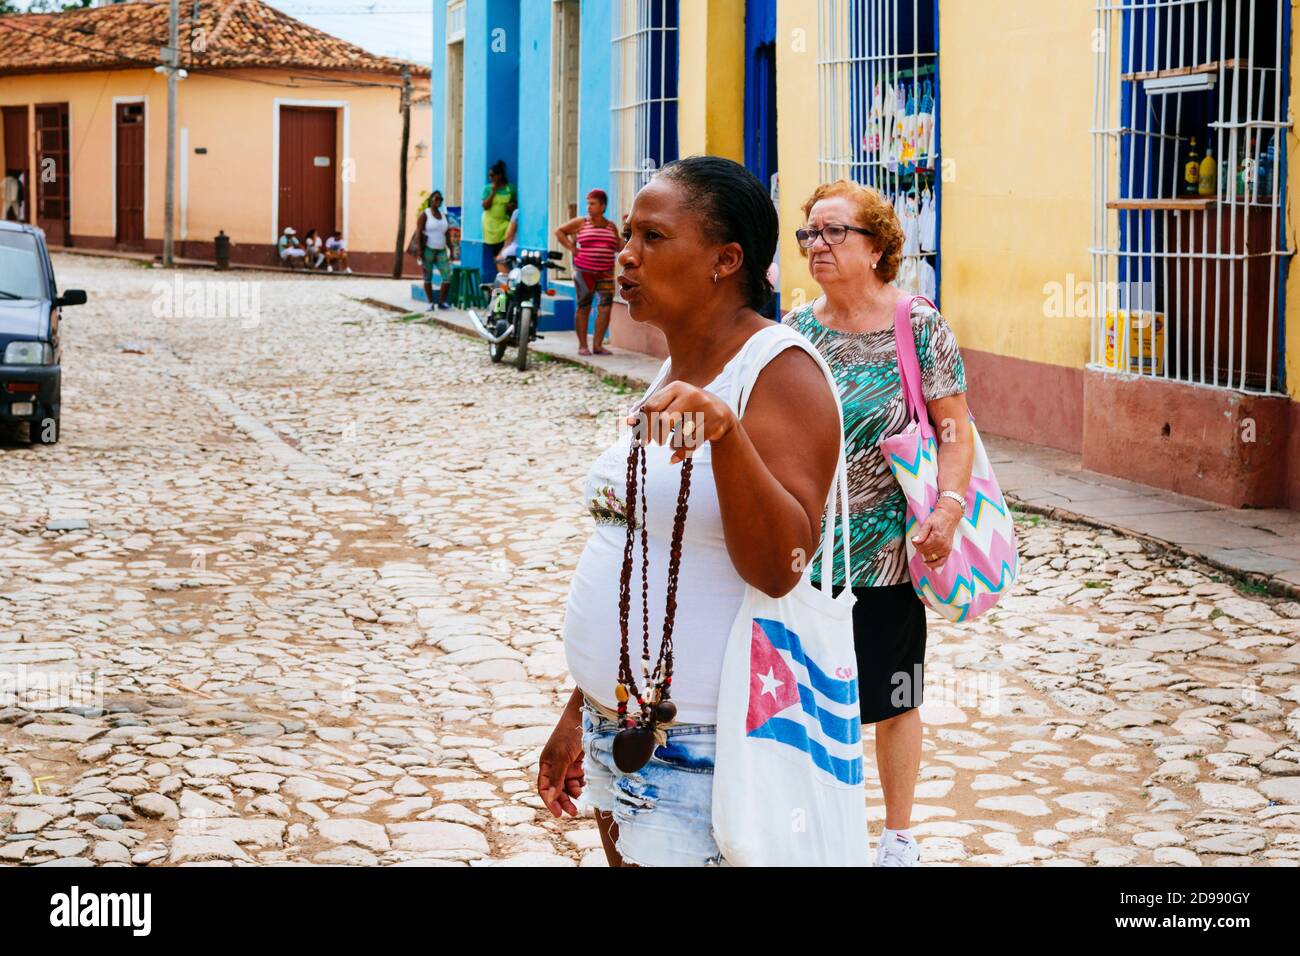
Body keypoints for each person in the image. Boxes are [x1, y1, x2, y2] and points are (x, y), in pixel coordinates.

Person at [536, 156, 844, 867]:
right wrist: (580, 711)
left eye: (652, 238)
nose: (626, 256)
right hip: (627, 723)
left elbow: (781, 565)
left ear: (724, 260)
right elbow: (644, 546)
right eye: (625, 236)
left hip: (703, 742)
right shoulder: (675, 370)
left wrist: (729, 435)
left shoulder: (780, 373)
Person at [784, 179, 974, 867]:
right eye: (810, 234)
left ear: (876, 246)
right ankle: (817, 831)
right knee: (808, 701)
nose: (817, 246)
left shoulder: (916, 325)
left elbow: (955, 430)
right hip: (807, 556)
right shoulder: (796, 332)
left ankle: (897, 837)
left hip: (888, 555)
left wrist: (949, 508)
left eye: (835, 232)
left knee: (894, 697)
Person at [555, 188, 624, 356]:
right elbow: (559, 231)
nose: (588, 207)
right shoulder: (581, 222)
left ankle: (598, 345)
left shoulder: (610, 226)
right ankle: (583, 346)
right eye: (588, 203)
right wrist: (572, 248)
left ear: (602, 206)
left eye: (592, 204)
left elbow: (618, 247)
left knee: (605, 308)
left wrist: (628, 232)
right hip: (584, 272)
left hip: (606, 273)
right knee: (584, 307)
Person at [418, 191, 452, 309]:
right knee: (428, 277)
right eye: (436, 199)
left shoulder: (444, 215)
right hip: (428, 249)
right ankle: (430, 302)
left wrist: (451, 249)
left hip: (441, 250)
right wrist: (420, 250)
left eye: (440, 199)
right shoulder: (425, 214)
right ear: (431, 200)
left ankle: (442, 302)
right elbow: (419, 232)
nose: (438, 201)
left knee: (447, 275)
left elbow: (447, 234)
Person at [480, 159, 516, 262]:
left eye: (492, 175)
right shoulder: (487, 189)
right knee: (496, 252)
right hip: (490, 224)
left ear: (499, 175)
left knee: (506, 247)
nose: (490, 178)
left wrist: (511, 206)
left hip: (504, 223)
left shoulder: (510, 188)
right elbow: (485, 206)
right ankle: (500, 270)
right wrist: (493, 192)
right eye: (489, 176)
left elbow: (515, 204)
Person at [494, 206, 519, 275]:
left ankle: (507, 283)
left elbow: (510, 234)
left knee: (499, 260)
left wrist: (504, 248)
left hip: (516, 246)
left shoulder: (517, 212)